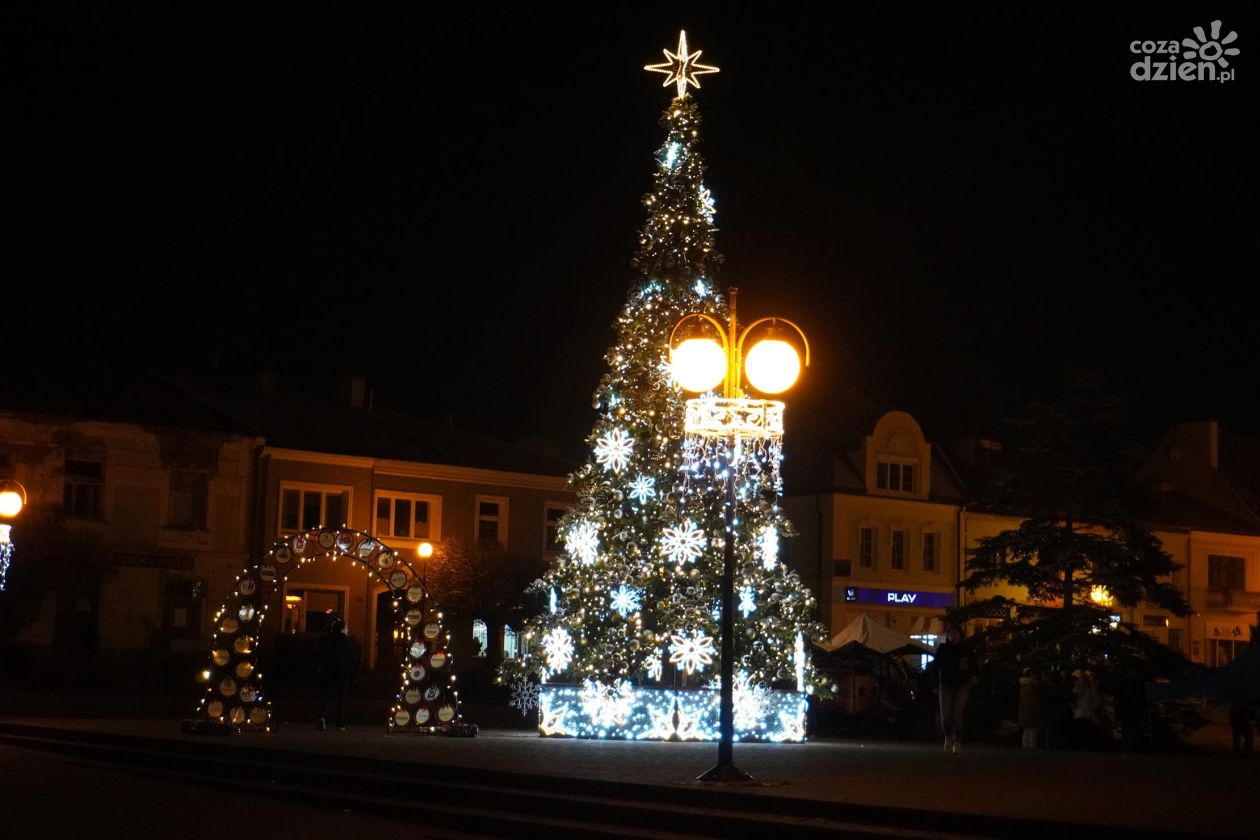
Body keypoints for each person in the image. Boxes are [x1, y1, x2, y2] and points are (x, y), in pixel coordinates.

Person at [935, 626, 978, 753]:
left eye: (956, 634)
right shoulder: (943, 649)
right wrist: (934, 685)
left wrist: (973, 676)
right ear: (948, 636)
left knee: (958, 715)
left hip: (962, 684)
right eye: (951, 634)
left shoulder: (966, 649)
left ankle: (958, 742)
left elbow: (973, 665)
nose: (953, 637)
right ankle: (948, 737)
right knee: (945, 716)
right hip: (946, 684)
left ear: (960, 636)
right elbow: (936, 666)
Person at [316, 616, 359, 731]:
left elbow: (321, 654)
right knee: (341, 698)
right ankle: (340, 723)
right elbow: (352, 657)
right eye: (346, 628)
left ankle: (322, 716)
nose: (347, 630)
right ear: (342, 629)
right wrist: (354, 667)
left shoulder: (327, 640)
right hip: (342, 672)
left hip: (328, 672)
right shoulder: (345, 641)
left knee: (327, 695)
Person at [1018, 668, 1044, 749]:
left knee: (1026, 729)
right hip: (1033, 709)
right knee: (1033, 729)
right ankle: (1032, 746)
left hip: (1024, 709)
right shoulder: (1033, 685)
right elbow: (1034, 699)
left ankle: (1025, 745)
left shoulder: (1022, 684)